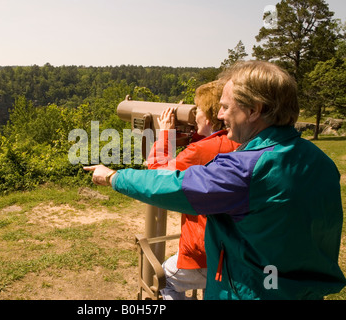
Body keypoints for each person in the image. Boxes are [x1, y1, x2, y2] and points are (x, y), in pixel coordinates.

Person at [84, 60, 346, 300]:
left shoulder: (247, 169)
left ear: (254, 110)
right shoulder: (320, 162)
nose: (219, 116)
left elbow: (174, 185)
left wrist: (114, 176)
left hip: (250, 291)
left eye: (225, 107)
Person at [146, 80, 240, 300]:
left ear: (209, 116)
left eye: (196, 109)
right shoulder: (244, 141)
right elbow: (212, 144)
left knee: (162, 281)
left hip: (205, 254)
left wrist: (165, 135)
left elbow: (159, 175)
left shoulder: (201, 150)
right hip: (234, 252)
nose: (194, 114)